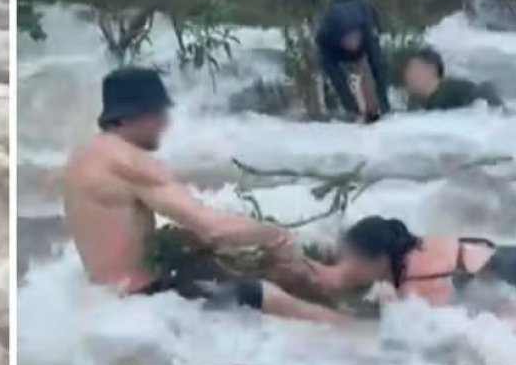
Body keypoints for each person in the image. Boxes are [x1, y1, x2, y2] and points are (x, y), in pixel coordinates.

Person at [61, 67, 351, 324]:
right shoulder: (130, 162)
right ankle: (362, 338)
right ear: (133, 115)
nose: (165, 123)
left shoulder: (84, 157)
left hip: (111, 300)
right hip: (145, 300)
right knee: (268, 296)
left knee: (255, 274)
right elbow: (213, 228)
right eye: (160, 113)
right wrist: (276, 235)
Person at [302, 216, 516, 309]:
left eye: (350, 260)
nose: (345, 265)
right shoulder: (418, 249)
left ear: (378, 260)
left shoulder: (417, 286)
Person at [316, 0, 391, 122]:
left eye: (355, 38)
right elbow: (338, 82)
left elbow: (379, 71)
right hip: (336, 41)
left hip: (363, 15)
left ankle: (373, 110)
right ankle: (335, 108)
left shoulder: (367, 33)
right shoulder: (326, 40)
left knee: (369, 69)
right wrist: (352, 110)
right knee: (334, 76)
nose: (353, 43)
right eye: (349, 40)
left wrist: (385, 106)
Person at [402, 47, 503, 111]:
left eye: (412, 68)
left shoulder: (452, 90)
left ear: (430, 69)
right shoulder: (425, 103)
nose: (406, 75)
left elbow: (485, 93)